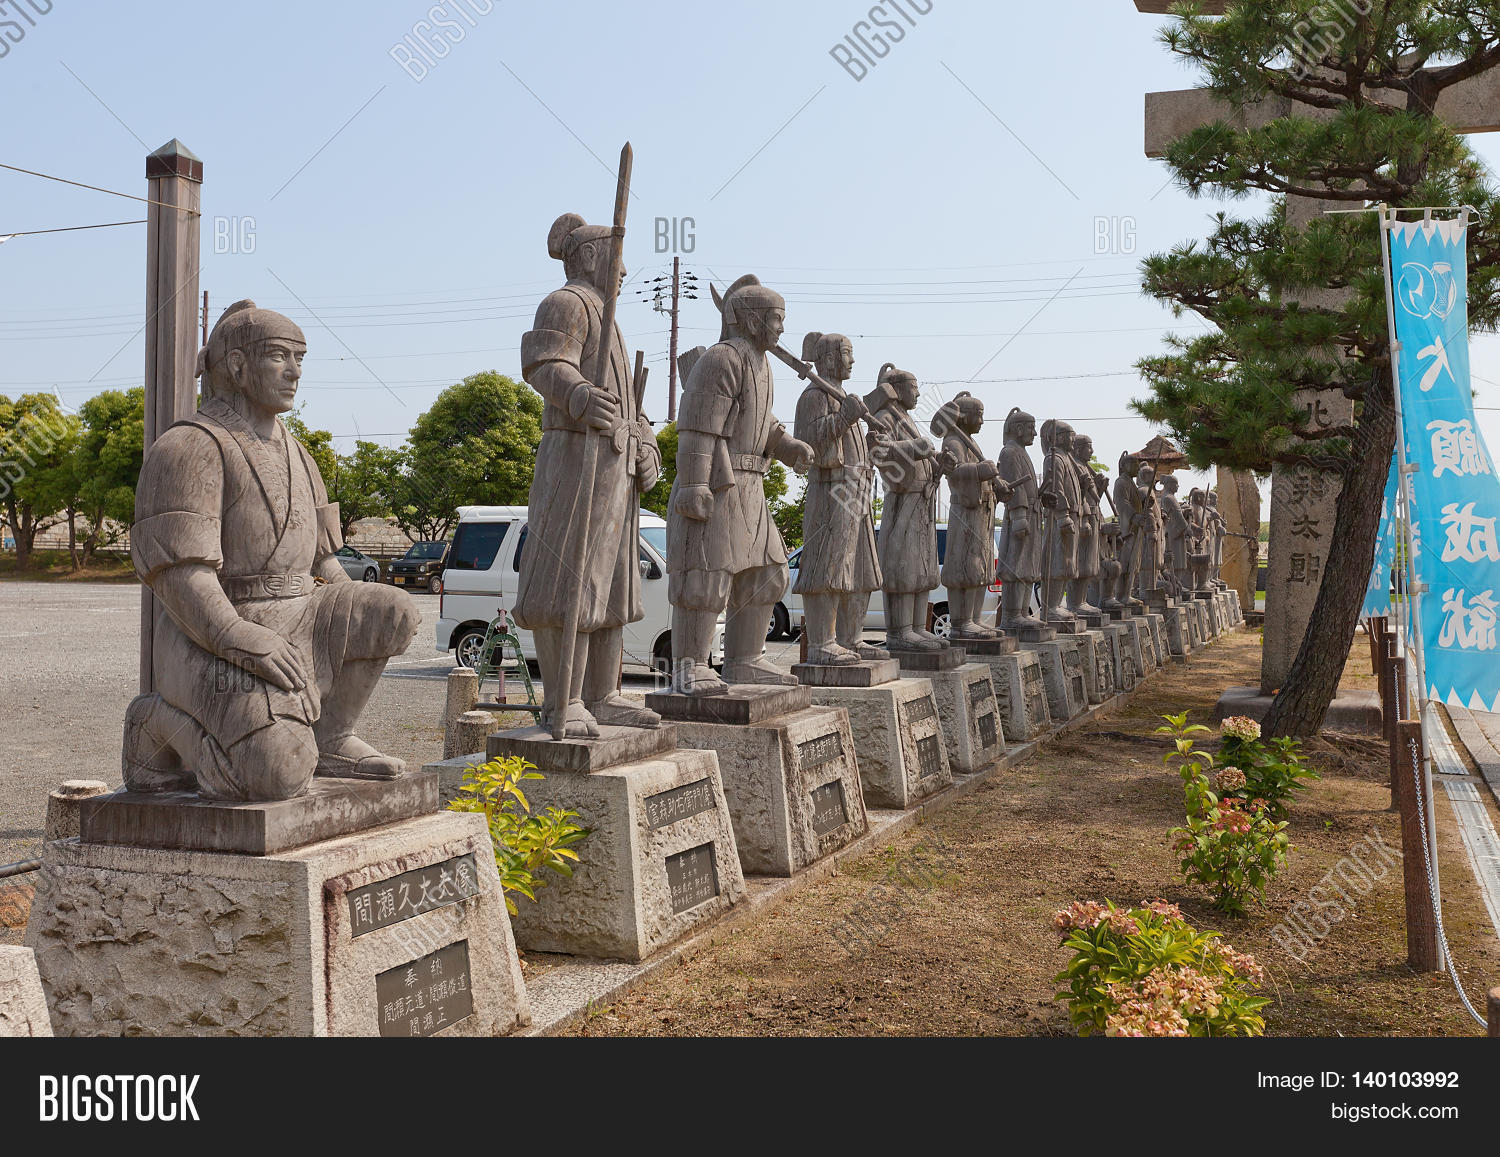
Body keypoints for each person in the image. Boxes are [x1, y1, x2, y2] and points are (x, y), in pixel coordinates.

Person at [123, 301, 420, 801]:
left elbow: (325, 561)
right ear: (237, 366)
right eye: (280, 356)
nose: (295, 372)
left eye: (300, 359)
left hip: (301, 613)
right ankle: (156, 725)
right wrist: (244, 637)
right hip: (211, 632)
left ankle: (332, 737)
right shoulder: (189, 447)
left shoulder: (298, 452)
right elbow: (182, 577)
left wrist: (353, 621)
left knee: (392, 608)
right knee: (275, 777)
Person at [514, 212, 663, 737]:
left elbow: (630, 402)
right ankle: (565, 701)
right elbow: (545, 363)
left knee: (613, 584)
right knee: (567, 581)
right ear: (594, 256)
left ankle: (604, 693)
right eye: (619, 257)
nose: (625, 270)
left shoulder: (610, 313)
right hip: (574, 461)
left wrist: (646, 444)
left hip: (613, 470)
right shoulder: (567, 303)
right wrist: (576, 394)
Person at [667, 274, 815, 694]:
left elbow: (761, 421)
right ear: (750, 320)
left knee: (767, 573)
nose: (782, 327)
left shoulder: (760, 363)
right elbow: (698, 428)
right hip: (717, 481)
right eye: (776, 318)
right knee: (706, 575)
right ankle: (689, 666)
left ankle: (745, 659)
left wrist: (786, 445)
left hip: (752, 486)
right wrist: (695, 484)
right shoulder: (721, 359)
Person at [793, 332, 887, 664]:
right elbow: (806, 442)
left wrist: (869, 444)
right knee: (828, 567)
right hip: (831, 490)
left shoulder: (841, 395)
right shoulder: (814, 396)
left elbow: (848, 443)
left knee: (862, 570)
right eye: (847, 353)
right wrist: (844, 417)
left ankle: (852, 638)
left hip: (857, 490)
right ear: (830, 358)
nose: (852, 360)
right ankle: (822, 643)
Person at [866, 364, 950, 651]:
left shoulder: (905, 418)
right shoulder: (884, 417)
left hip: (922, 501)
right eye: (913, 387)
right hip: (903, 501)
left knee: (921, 568)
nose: (916, 393)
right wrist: (916, 447)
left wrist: (938, 462)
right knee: (903, 566)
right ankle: (900, 631)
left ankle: (916, 627)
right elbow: (880, 451)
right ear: (897, 389)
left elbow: (922, 452)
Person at [995, 407, 1043, 632]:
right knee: (1016, 565)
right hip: (1020, 516)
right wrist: (1019, 514)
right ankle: (1012, 616)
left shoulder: (1022, 452)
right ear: (1019, 428)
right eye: (1031, 429)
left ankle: (1023, 612)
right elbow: (1014, 485)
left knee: (1028, 566)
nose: (1034, 434)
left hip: (1032, 514)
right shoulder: (1009, 453)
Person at [1038, 418, 1081, 623]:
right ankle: (1050, 607)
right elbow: (1056, 488)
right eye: (1069, 436)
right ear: (1058, 437)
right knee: (1056, 562)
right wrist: (1063, 515)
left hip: (1072, 516)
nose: (1073, 440)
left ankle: (1056, 605)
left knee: (1066, 563)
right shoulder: (1054, 458)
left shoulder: (1067, 458)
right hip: (1059, 518)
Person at [1068, 432, 1107, 619]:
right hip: (1083, 517)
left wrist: (1099, 487)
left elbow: (1095, 498)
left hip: (1092, 515)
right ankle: (1075, 603)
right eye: (1088, 447)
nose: (1091, 451)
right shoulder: (1073, 466)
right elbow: (1076, 495)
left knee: (1089, 563)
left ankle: (1082, 601)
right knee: (1080, 562)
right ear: (1077, 448)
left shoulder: (1083, 466)